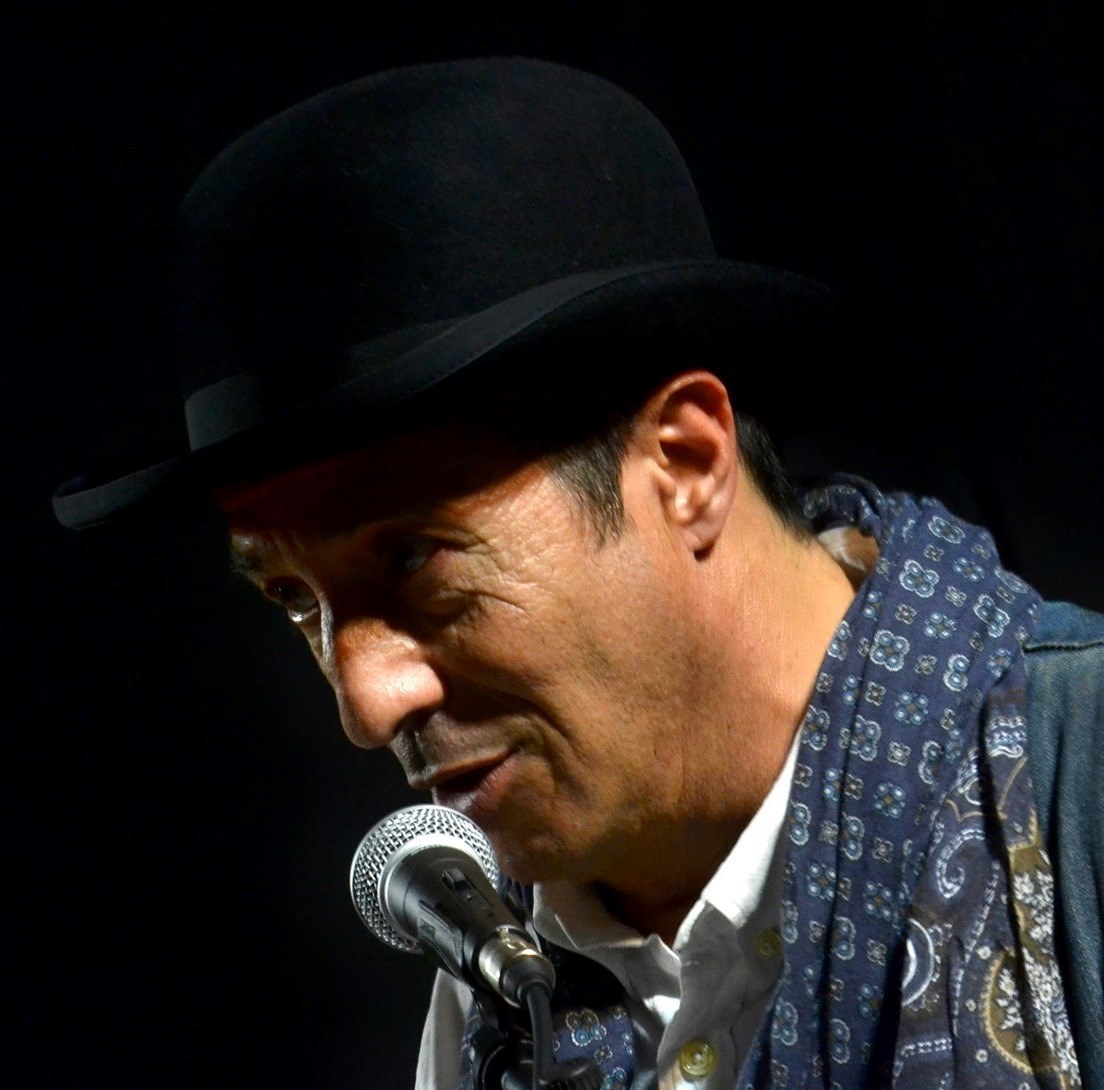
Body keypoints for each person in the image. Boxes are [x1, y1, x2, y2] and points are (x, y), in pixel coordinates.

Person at [53, 57, 1101, 1089]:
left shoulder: (1078, 795)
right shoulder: (499, 990)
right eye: (294, 600)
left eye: (412, 557)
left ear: (685, 464)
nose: (367, 705)